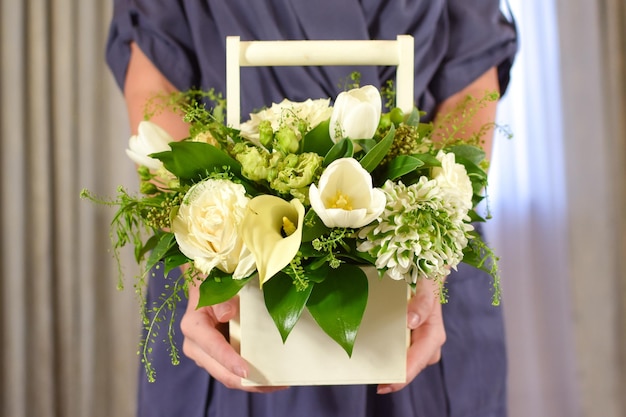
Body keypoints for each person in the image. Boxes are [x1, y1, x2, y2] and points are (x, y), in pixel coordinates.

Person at [106, 1, 517, 416]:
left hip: (413, 271)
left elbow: (470, 80)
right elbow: (156, 81)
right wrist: (204, 253)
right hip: (235, 282)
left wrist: (428, 250)